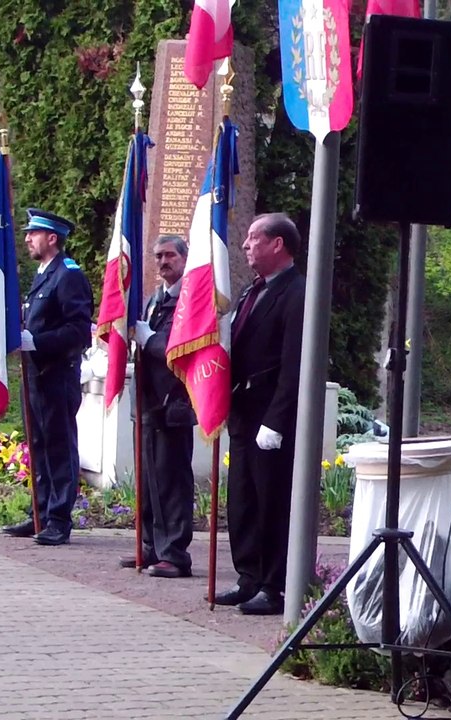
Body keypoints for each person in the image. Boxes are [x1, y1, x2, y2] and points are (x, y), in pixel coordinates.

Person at [213, 213, 306, 615]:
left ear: (277, 244)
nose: (246, 244)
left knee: (271, 501)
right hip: (243, 413)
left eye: (254, 237)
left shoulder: (297, 293)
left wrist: (277, 420)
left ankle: (274, 584)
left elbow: (294, 364)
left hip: (270, 416)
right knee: (243, 500)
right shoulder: (252, 291)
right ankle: (248, 576)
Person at [1, 208, 93, 546]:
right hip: (36, 376)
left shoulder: (68, 275)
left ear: (52, 238)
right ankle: (39, 512)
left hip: (57, 376)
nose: (27, 239)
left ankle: (58, 519)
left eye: (34, 234)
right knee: (38, 446)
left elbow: (78, 331)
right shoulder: (44, 274)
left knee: (58, 446)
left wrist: (36, 342)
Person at [116, 235, 196, 577]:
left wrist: (150, 339)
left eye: (169, 255)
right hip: (148, 403)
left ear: (184, 259)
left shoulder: (191, 301)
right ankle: (149, 546)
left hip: (172, 403)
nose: (163, 262)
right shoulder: (153, 299)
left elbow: (184, 347)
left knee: (172, 483)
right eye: (158, 256)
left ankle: (174, 553)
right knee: (149, 482)